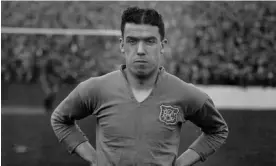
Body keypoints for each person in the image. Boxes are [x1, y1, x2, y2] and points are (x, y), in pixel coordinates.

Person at [51, 6, 229, 166]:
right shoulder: (96, 89)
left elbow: (218, 130)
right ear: (122, 44)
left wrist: (183, 162)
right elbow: (60, 119)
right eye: (132, 41)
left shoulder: (184, 93)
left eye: (150, 41)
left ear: (162, 45)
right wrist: (94, 158)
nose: (141, 50)